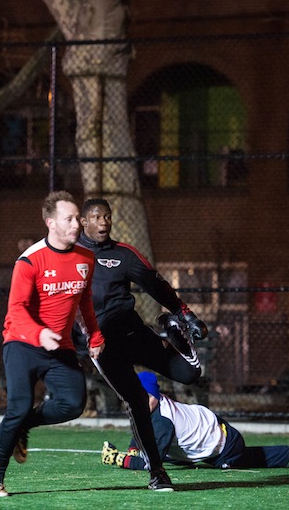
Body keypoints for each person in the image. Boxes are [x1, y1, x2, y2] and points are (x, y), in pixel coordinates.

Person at [77, 198, 214, 492]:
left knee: (191, 376)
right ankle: (158, 473)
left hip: (135, 335)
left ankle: (177, 336)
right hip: (105, 348)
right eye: (97, 217)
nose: (103, 222)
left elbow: (155, 284)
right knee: (138, 402)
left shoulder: (123, 254)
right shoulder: (70, 256)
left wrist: (183, 312)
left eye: (107, 217)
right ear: (83, 222)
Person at [0, 191, 105, 497]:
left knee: (74, 403)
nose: (77, 224)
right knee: (18, 407)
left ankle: (25, 425)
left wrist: (95, 334)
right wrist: (39, 334)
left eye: (78, 217)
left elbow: (85, 300)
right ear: (51, 223)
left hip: (59, 346)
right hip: (22, 343)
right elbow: (16, 310)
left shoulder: (86, 258)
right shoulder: (29, 261)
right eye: (70, 219)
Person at [101, 371, 289, 470]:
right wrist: (132, 449)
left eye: (144, 396)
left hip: (224, 447)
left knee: (247, 460)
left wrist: (121, 460)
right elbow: (140, 427)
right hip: (212, 427)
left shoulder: (162, 421)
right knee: (167, 453)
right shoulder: (155, 405)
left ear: (155, 396)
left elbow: (151, 465)